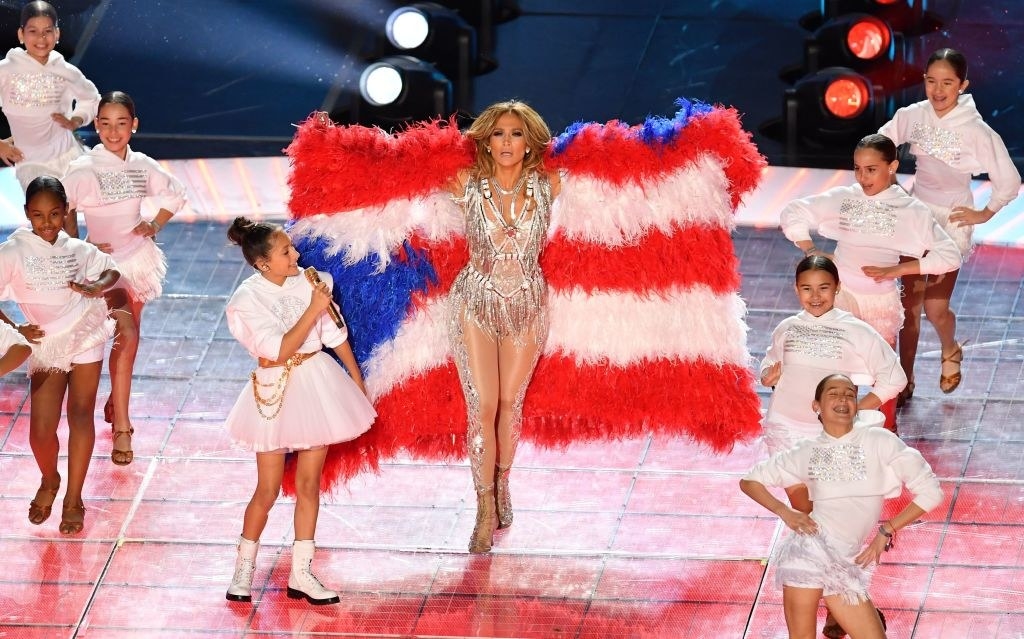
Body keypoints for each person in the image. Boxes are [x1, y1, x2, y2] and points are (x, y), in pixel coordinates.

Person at [223, 217, 375, 605]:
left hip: (316, 385)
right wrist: (313, 306)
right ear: (262, 263)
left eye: (292, 248)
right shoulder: (246, 300)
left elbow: (332, 334)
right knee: (267, 489)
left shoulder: (311, 280)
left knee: (309, 485)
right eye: (286, 251)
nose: (296, 255)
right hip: (274, 390)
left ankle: (302, 572)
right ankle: (244, 568)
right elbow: (278, 349)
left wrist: (356, 383)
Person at [780, 133, 961, 430]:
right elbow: (794, 211)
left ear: (892, 167)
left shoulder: (910, 210)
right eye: (857, 169)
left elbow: (949, 255)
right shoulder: (846, 197)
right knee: (832, 364)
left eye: (871, 169)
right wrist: (810, 249)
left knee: (883, 371)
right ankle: (830, 428)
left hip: (880, 302)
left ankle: (885, 432)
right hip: (840, 296)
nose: (863, 177)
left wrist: (897, 271)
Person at [740, 373, 943, 639]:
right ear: (817, 406)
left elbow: (931, 492)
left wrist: (887, 530)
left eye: (849, 394)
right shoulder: (806, 451)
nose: (843, 398)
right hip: (809, 554)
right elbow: (750, 481)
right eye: (833, 393)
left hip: (846, 562)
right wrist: (785, 512)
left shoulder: (879, 442)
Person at [445, 100, 561, 553]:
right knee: (483, 404)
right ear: (485, 141)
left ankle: (504, 483)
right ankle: (483, 508)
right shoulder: (464, 184)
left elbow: (619, 177)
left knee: (511, 403)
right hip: (474, 301)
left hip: (528, 304)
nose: (507, 142)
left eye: (516, 134)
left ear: (530, 140)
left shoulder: (551, 184)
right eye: (498, 134)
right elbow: (398, 179)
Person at [879, 48, 1021, 402]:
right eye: (931, 81)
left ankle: (951, 348)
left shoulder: (976, 131)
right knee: (908, 309)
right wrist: (892, 186)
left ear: (963, 85)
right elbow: (879, 145)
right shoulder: (913, 115)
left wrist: (984, 213)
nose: (938, 90)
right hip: (916, 216)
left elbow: (1009, 179)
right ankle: (905, 381)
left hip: (952, 220)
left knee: (934, 308)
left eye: (947, 83)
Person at [62, 91, 187, 466]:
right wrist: (73, 245)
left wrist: (153, 224)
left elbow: (175, 193)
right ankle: (122, 428)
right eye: (105, 123)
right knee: (125, 335)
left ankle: (118, 401)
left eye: (121, 123)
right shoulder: (84, 169)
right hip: (100, 267)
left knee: (128, 340)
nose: (113, 132)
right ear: (96, 125)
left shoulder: (142, 165)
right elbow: (63, 208)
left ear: (134, 125)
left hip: (136, 261)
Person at [0, 176, 118, 535]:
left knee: (81, 414)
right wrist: (17, 329)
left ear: (66, 211)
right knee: (40, 431)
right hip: (46, 343)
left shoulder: (77, 249)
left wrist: (95, 286)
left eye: (54, 214)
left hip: (84, 333)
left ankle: (73, 498)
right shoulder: (14, 251)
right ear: (26, 214)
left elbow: (111, 269)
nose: (47, 223)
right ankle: (50, 480)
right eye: (38, 215)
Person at [760, 255, 906, 513]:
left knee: (829, 514)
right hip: (783, 428)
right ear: (796, 289)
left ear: (837, 287)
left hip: (827, 436)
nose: (815, 296)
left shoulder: (855, 330)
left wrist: (857, 409)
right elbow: (769, 361)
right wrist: (767, 376)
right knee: (804, 512)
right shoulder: (787, 328)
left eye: (823, 287)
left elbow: (894, 376)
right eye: (807, 288)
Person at [0, 1, 100, 189]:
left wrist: (76, 120)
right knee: (43, 214)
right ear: (21, 34)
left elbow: (92, 98)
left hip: (67, 155)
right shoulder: (6, 70)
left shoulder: (66, 71)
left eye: (47, 31)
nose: (41, 38)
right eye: (33, 31)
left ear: (57, 34)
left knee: (68, 213)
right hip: (30, 163)